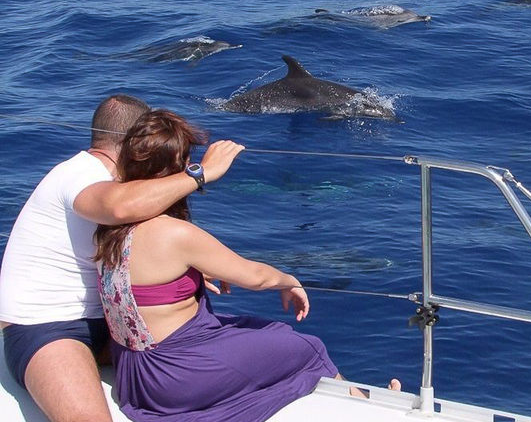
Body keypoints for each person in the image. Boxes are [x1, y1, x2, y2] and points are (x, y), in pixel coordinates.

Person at [94, 109, 399, 422]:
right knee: (308, 347)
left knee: (252, 327)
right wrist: (289, 280)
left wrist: (194, 273)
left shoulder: (107, 228)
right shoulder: (173, 234)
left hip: (135, 374)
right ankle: (371, 410)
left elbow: (147, 281)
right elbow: (256, 278)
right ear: (176, 169)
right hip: (174, 378)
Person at [0, 94, 245, 422]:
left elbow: (137, 245)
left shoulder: (124, 187)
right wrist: (200, 174)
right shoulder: (80, 173)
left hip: (111, 321)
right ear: (134, 143)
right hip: (46, 328)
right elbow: (118, 207)